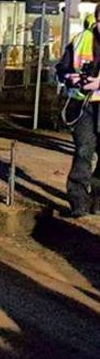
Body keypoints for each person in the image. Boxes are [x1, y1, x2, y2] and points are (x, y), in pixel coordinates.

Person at [56, 14, 100, 217]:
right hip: (83, 105)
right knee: (83, 150)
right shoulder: (81, 39)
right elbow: (62, 68)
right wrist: (69, 77)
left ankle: (97, 200)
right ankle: (78, 202)